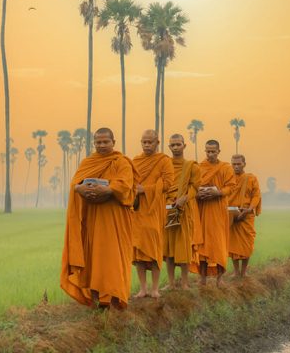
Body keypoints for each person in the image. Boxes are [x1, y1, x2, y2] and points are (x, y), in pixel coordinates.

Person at [60, 127, 136, 309]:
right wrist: (80, 189)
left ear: (113, 142)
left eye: (105, 142)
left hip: (115, 219)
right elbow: (75, 184)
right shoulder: (88, 162)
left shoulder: (122, 162)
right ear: (94, 143)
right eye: (98, 142)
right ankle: (96, 300)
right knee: (93, 258)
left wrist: (108, 189)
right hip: (93, 219)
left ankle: (114, 299)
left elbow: (125, 184)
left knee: (114, 258)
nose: (101, 145)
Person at [132, 129, 173, 298]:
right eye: (144, 142)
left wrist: (145, 189)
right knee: (139, 250)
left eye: (150, 142)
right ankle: (143, 288)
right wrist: (136, 190)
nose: (147, 145)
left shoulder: (164, 161)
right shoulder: (135, 161)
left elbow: (167, 183)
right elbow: (130, 180)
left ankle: (154, 288)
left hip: (154, 209)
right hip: (138, 210)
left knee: (154, 249)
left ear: (157, 143)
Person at [192, 140, 236, 286]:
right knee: (203, 243)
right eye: (208, 151)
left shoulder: (225, 168)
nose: (210, 154)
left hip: (218, 209)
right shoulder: (199, 167)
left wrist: (217, 192)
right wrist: (199, 194)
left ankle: (220, 278)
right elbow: (194, 186)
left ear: (219, 151)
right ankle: (202, 278)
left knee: (218, 243)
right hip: (203, 209)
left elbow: (231, 187)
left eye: (213, 151)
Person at [163, 134, 201, 290]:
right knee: (169, 248)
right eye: (173, 145)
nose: (176, 147)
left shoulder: (192, 166)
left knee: (184, 247)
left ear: (184, 146)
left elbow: (195, 187)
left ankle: (185, 283)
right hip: (167, 210)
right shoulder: (165, 165)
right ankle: (171, 284)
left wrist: (184, 198)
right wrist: (167, 201)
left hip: (184, 210)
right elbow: (163, 185)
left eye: (178, 144)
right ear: (169, 147)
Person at [228, 154, 262, 278]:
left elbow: (256, 195)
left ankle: (244, 271)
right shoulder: (228, 179)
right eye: (234, 164)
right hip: (232, 215)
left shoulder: (251, 178)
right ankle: (236, 272)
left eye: (239, 164)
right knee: (233, 245)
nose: (236, 167)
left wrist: (249, 209)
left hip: (246, 215)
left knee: (247, 244)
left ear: (244, 164)